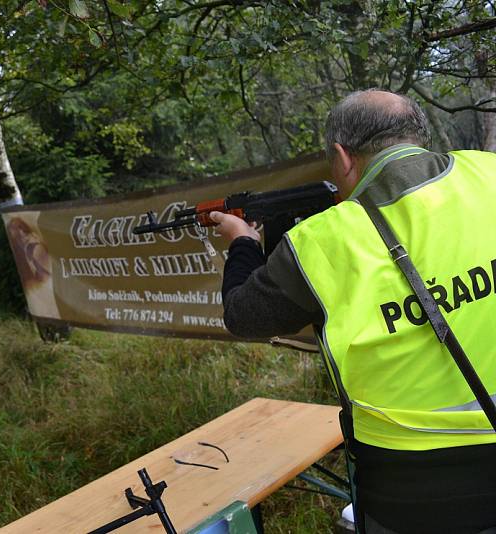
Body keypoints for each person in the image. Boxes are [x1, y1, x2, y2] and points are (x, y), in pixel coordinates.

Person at [209, 89, 496, 534]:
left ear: (342, 157)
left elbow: (243, 316)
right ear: (418, 134)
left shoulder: (323, 241)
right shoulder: (488, 172)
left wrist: (243, 241)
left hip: (409, 490)